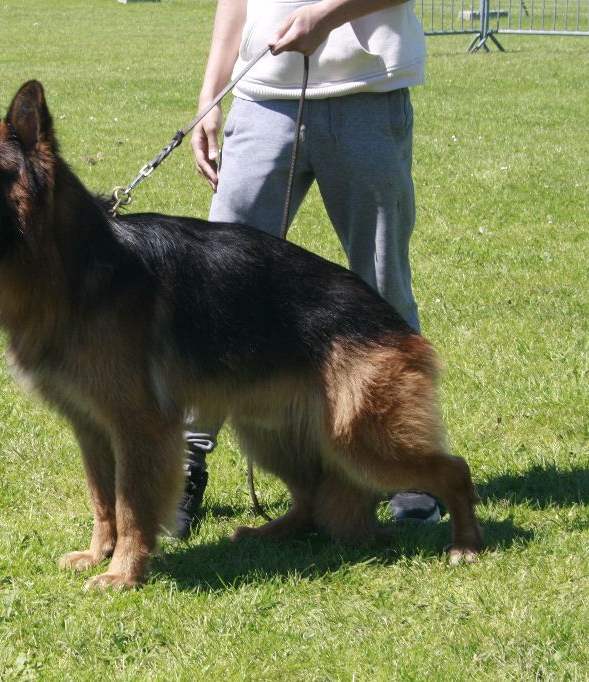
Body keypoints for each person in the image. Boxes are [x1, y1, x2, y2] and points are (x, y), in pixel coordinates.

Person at [172, 0, 441, 539]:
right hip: (261, 98)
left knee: (382, 285)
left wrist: (328, 15)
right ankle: (186, 461)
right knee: (217, 290)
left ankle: (410, 462)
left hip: (368, 94)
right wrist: (210, 94)